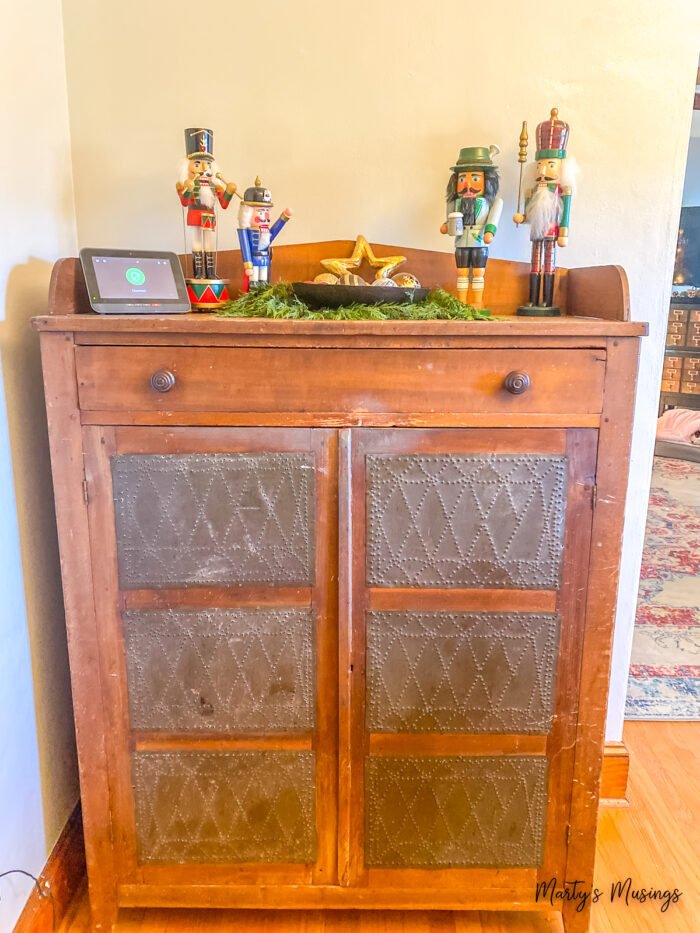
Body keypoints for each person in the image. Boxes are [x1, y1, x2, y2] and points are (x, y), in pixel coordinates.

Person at [513, 108, 576, 313]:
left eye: (550, 165)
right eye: (540, 165)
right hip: (536, 232)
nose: (543, 171)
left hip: (550, 233)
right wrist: (522, 217)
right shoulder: (533, 191)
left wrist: (563, 233)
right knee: (534, 264)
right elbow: (527, 213)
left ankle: (546, 301)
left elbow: (564, 216)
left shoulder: (561, 191)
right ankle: (532, 298)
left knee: (548, 264)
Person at [441, 146, 502, 305]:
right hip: (461, 242)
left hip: (479, 241)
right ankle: (462, 302)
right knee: (461, 272)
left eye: (474, 178)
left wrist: (490, 231)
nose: (467, 184)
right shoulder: (454, 202)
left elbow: (492, 219)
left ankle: (477, 302)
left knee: (478, 272)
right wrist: (447, 225)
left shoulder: (490, 203)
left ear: (487, 181)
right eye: (462, 179)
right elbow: (450, 219)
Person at [176, 127, 237, 280]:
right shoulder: (185, 185)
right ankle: (198, 273)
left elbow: (223, 204)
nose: (204, 169)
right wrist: (188, 188)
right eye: (197, 164)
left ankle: (210, 272)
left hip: (209, 217)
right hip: (195, 216)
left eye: (208, 165)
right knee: (197, 242)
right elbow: (185, 202)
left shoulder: (214, 186)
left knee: (209, 243)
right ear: (187, 167)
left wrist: (228, 191)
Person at [237, 177, 292, 291]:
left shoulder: (265, 231)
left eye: (267, 212)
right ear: (248, 214)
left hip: (265, 260)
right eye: (261, 212)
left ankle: (261, 298)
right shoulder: (245, 231)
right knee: (254, 281)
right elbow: (245, 247)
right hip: (253, 261)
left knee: (264, 282)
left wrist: (283, 218)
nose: (265, 216)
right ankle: (252, 299)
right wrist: (248, 264)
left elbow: (274, 232)